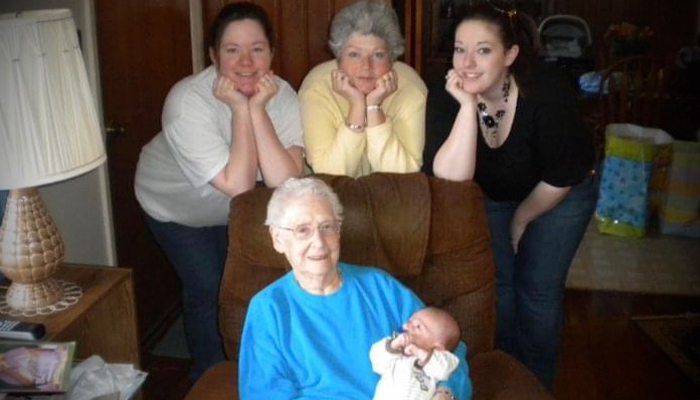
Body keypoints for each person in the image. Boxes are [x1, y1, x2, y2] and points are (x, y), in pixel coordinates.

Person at [423, 0, 596, 389]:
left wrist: (522, 220)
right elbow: (451, 178)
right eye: (459, 49)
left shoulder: (547, 92)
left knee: (537, 292)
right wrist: (467, 106)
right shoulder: (444, 93)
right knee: (499, 286)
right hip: (494, 193)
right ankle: (503, 378)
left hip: (561, 192)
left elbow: (563, 173)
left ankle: (534, 386)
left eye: (483, 50)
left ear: (510, 55)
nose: (467, 62)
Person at [134, 2, 304, 381]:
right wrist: (240, 110)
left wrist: (257, 107)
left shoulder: (283, 96)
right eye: (232, 50)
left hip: (231, 210)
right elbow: (241, 186)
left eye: (257, 48)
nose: (246, 61)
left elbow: (286, 182)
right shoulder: (187, 102)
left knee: (246, 283)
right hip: (175, 207)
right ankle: (208, 376)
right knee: (208, 288)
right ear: (212, 56)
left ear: (271, 53)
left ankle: (255, 367)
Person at [238, 178, 472, 400]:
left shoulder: (380, 287)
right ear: (278, 239)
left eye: (327, 227)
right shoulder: (268, 308)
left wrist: (446, 392)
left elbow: (450, 349)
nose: (319, 241)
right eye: (302, 230)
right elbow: (262, 393)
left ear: (338, 232)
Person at [299, 0, 427, 177]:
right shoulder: (317, 88)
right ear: (338, 57)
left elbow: (403, 175)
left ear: (392, 58)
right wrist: (358, 107)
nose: (366, 66)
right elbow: (329, 175)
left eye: (378, 55)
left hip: (393, 198)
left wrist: (374, 107)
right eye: (354, 55)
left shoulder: (411, 88)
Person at [370, 307, 461, 400]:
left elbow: (444, 368)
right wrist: (394, 344)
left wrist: (419, 352)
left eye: (418, 326)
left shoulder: (434, 365)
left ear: (437, 348)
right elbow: (377, 362)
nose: (405, 326)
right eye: (409, 321)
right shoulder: (397, 356)